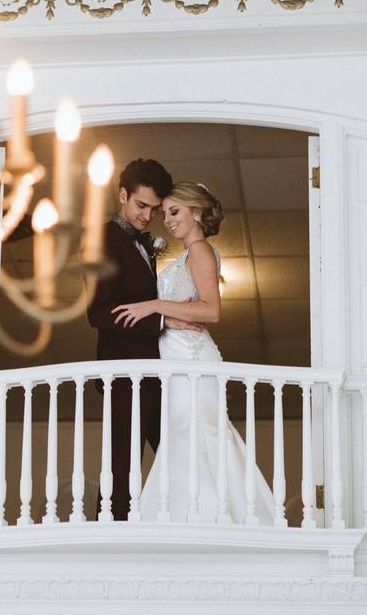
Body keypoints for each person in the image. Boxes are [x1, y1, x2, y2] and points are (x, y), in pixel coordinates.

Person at [111, 182, 274, 524]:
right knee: (184, 436)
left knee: (197, 433)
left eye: (175, 211)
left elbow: (211, 310)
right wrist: (167, 316)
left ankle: (213, 520)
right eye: (164, 213)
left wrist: (155, 304)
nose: (166, 220)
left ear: (196, 211)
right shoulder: (187, 254)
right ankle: (191, 518)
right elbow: (188, 310)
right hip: (177, 361)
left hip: (192, 360)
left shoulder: (200, 249)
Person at [86, 159, 201, 521]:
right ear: (122, 195)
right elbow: (99, 311)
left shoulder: (141, 243)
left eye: (155, 208)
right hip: (125, 375)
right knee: (124, 464)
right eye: (141, 206)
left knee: (179, 455)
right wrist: (165, 319)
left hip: (154, 373)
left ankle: (190, 525)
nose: (149, 216)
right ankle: (112, 539)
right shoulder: (103, 239)